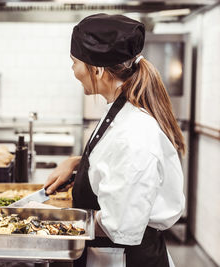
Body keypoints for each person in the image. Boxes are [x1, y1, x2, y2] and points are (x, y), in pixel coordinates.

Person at [44, 14, 185, 267]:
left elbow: (120, 224)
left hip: (125, 260)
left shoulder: (134, 133)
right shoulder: (121, 114)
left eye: (74, 62)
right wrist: (77, 163)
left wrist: (60, 221)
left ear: (96, 69)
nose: (73, 71)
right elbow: (113, 161)